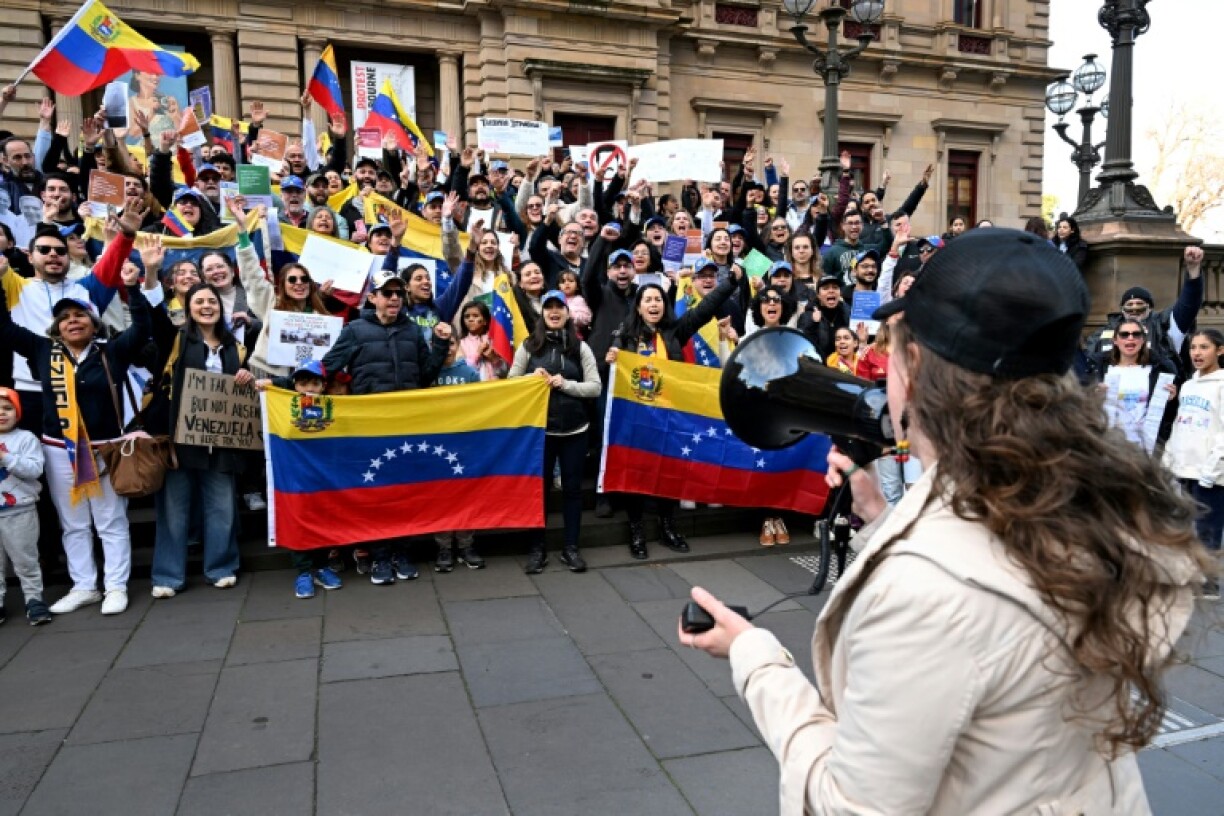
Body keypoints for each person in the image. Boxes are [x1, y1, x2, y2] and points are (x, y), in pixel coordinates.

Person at [680, 228, 1211, 814]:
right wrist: (883, 520)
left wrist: (754, 656)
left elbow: (851, 806)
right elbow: (989, 568)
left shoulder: (921, 595)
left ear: (914, 365)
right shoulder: (1091, 502)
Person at [0, 263, 152, 617]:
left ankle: (115, 585)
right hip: (59, 450)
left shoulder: (110, 351)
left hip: (106, 449)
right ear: (56, 326)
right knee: (73, 523)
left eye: (80, 315)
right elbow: (4, 328)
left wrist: (136, 288)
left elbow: (142, 328)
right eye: (65, 317)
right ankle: (84, 585)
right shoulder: (43, 351)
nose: (73, 321)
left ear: (93, 322)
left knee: (110, 521)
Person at [606, 264, 743, 559]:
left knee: (669, 470)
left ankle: (668, 527)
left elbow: (705, 309)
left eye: (658, 300)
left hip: (669, 416)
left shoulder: (674, 331)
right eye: (648, 301)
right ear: (639, 308)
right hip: (637, 419)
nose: (654, 305)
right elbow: (615, 362)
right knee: (637, 474)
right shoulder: (626, 336)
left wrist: (730, 281)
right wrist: (613, 357)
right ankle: (637, 531)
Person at [322, 269, 449, 584]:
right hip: (371, 428)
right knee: (377, 493)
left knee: (405, 493)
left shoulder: (411, 332)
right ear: (372, 297)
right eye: (387, 293)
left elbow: (426, 374)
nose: (394, 298)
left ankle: (402, 554)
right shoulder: (355, 330)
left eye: (398, 293)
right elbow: (327, 367)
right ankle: (380, 558)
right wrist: (285, 386)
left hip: (406, 426)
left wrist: (440, 345)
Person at [145, 282, 252, 597]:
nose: (207, 306)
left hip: (221, 442)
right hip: (180, 438)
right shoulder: (176, 339)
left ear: (222, 308)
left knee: (222, 507)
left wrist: (245, 377)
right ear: (188, 308)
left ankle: (221, 567)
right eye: (199, 301)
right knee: (174, 510)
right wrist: (150, 275)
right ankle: (167, 576)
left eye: (212, 301)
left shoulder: (236, 347)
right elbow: (153, 320)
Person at [510, 290, 600, 575]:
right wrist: (529, 379)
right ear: (542, 313)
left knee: (573, 491)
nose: (553, 312)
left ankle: (570, 549)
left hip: (575, 430)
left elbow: (595, 387)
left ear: (566, 313)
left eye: (558, 307)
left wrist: (566, 384)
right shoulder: (529, 346)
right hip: (541, 433)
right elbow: (511, 382)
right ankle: (537, 550)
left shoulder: (580, 347)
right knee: (539, 492)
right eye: (548, 307)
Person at [254, 361, 345, 598]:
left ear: (324, 386)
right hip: (296, 478)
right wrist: (274, 384)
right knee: (299, 519)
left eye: (315, 383)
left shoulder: (336, 406)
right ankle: (304, 571)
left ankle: (323, 566)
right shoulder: (285, 404)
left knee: (325, 519)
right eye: (303, 383)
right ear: (294, 385)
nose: (309, 389)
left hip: (325, 477)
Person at [1162, 328, 1224, 598]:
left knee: (1209, 529)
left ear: (1219, 350)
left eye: (1204, 347)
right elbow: (1180, 425)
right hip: (1183, 467)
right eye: (1193, 347)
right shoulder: (1187, 385)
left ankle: (1210, 581)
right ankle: (1189, 575)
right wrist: (1168, 460)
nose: (1197, 353)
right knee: (1185, 525)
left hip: (1209, 470)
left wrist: (1213, 469)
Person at [431, 332, 485, 573]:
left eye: (451, 343)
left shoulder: (469, 373)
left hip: (464, 445)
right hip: (436, 446)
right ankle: (444, 547)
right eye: (439, 344)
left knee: (466, 495)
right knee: (441, 497)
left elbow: (481, 405)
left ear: (457, 345)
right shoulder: (427, 374)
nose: (446, 348)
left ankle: (466, 545)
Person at [0, 387, 51, 625]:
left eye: (7, 408)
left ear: (17, 413)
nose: (2, 413)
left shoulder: (26, 439)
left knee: (25, 559)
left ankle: (34, 599)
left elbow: (35, 470)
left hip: (19, 511)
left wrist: (6, 458)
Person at [1095, 319, 1178, 448]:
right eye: (1124, 334)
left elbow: (1170, 416)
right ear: (1115, 340)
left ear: (1143, 340)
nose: (1130, 338)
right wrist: (1093, 396)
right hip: (1110, 446)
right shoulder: (1098, 369)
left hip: (1146, 446)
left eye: (1136, 334)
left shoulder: (1159, 369)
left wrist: (1172, 400)